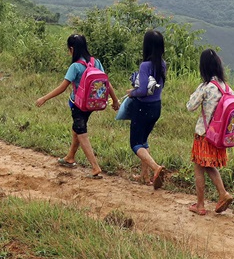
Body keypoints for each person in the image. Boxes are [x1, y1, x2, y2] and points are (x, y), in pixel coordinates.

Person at [36, 34, 120, 179]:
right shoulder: (96, 62)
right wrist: (115, 100)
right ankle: (70, 158)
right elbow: (107, 83)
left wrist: (44, 98)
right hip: (93, 104)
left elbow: (63, 87)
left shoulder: (75, 66)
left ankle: (95, 167)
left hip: (79, 105)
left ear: (72, 49)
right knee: (77, 128)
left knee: (81, 132)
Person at [185, 48, 234, 215]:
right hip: (219, 136)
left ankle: (203, 203)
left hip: (204, 134)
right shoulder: (227, 88)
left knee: (200, 167)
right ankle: (221, 194)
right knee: (208, 166)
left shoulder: (206, 87)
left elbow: (190, 107)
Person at [125, 30, 167, 189]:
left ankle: (155, 168)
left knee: (135, 143)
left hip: (143, 107)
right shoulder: (162, 64)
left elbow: (142, 90)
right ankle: (145, 175)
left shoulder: (145, 66)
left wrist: (132, 93)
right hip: (156, 106)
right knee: (144, 140)